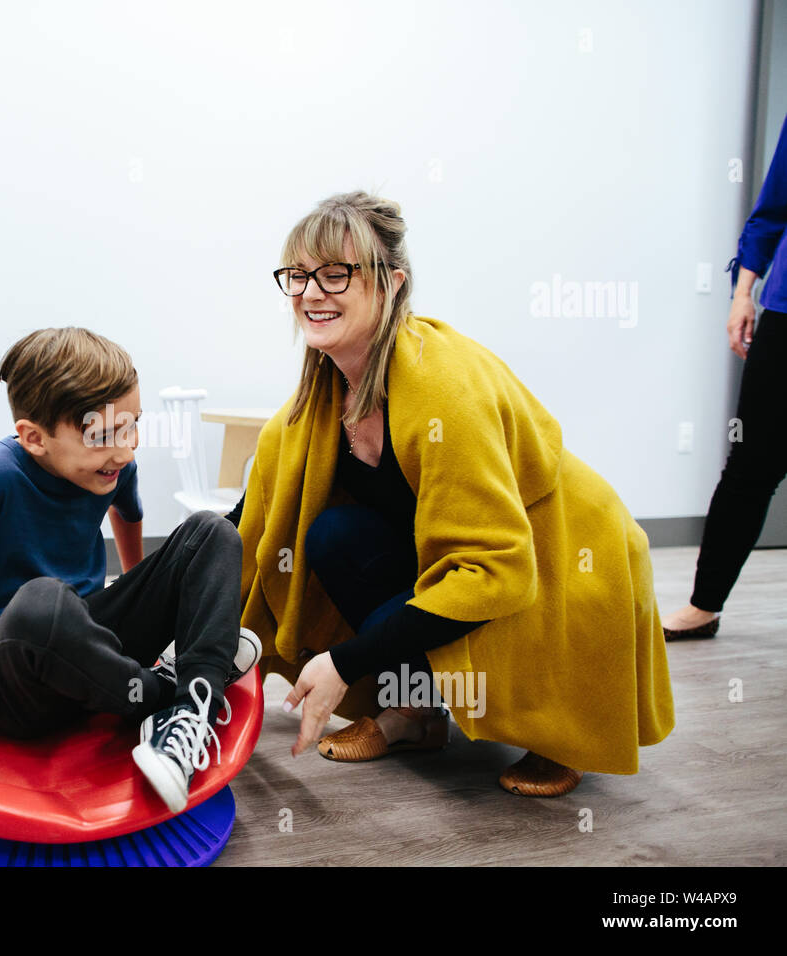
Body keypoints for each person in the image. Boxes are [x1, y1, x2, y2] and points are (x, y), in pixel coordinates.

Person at [229, 191, 675, 797]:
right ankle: (414, 713)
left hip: (557, 559)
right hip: (467, 560)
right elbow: (252, 515)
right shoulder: (327, 393)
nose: (311, 292)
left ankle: (557, 730)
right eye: (299, 275)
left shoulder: (441, 383)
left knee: (405, 620)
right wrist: (175, 600)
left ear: (391, 284)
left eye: (335, 274)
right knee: (333, 537)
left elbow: (495, 569)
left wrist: (344, 664)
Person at [0, 327, 260, 814]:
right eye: (101, 436)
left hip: (86, 645)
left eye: (132, 425)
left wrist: (144, 601)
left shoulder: (112, 465)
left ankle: (192, 701)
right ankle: (159, 693)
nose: (124, 450)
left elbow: (129, 514)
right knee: (44, 602)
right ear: (34, 438)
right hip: (7, 677)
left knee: (212, 530)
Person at [662, 112, 787, 641]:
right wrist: (743, 293)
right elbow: (771, 210)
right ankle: (704, 604)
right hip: (784, 311)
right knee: (751, 466)